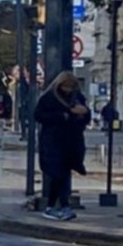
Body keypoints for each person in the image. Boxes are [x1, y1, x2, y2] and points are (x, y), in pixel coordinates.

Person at [33, 71, 89, 221]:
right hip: (52, 142)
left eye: (71, 87)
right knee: (57, 175)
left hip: (71, 142)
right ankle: (59, 206)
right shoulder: (49, 98)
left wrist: (83, 114)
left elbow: (86, 116)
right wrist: (62, 115)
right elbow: (38, 115)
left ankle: (59, 206)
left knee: (63, 175)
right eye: (65, 87)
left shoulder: (78, 97)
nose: (68, 90)